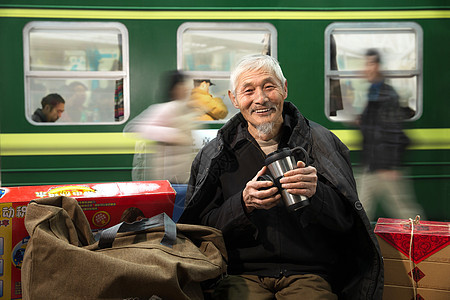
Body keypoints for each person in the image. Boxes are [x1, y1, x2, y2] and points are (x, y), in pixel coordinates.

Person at [179, 55, 383, 299]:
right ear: (234, 99)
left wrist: (316, 194)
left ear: (284, 89)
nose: (261, 99)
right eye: (248, 90)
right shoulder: (216, 155)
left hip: (309, 274)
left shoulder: (322, 143)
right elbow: (200, 230)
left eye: (269, 86)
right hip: (241, 274)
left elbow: (348, 224)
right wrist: (242, 205)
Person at [357, 48, 425, 221]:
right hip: (373, 164)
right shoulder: (374, 92)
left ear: (378, 66)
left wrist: (390, 165)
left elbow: (393, 129)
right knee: (361, 210)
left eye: (370, 63)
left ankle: (423, 243)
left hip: (384, 167)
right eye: (366, 63)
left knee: (405, 211)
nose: (367, 68)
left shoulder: (386, 94)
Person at [124, 70, 201, 184]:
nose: (186, 89)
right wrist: (174, 135)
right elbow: (133, 129)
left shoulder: (185, 109)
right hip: (168, 178)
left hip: (183, 176)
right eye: (182, 85)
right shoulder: (165, 109)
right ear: (174, 88)